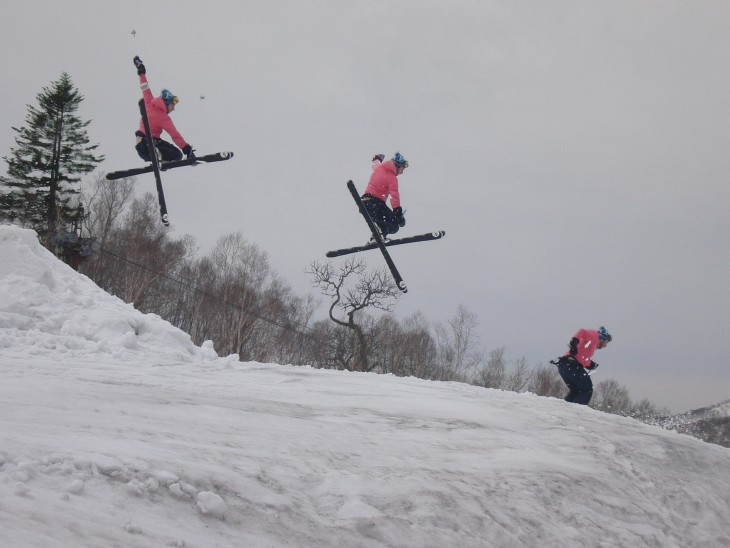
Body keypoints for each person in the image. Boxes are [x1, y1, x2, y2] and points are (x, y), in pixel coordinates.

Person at [133, 56, 195, 163]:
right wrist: (187, 149)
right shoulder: (163, 117)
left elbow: (145, 87)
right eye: (172, 105)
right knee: (177, 155)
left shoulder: (149, 102)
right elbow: (174, 134)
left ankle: (160, 158)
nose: (173, 108)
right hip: (149, 145)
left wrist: (141, 71)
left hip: (140, 146)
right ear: (166, 102)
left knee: (171, 151)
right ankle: (159, 156)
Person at [551, 326, 612, 405]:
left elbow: (581, 357)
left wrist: (590, 364)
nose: (605, 346)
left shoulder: (591, 344)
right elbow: (582, 331)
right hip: (571, 365)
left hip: (565, 365)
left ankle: (564, 409)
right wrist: (574, 341)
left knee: (576, 391)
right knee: (587, 389)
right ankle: (576, 411)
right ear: (603, 338)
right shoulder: (595, 336)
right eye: (606, 342)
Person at [361, 152, 408, 243]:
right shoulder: (391, 177)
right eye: (402, 169)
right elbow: (394, 195)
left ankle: (376, 237)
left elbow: (375, 165)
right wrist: (397, 212)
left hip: (365, 203)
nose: (402, 172)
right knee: (394, 225)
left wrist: (378, 159)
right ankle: (379, 234)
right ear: (397, 166)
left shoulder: (380, 168)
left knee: (382, 222)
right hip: (376, 203)